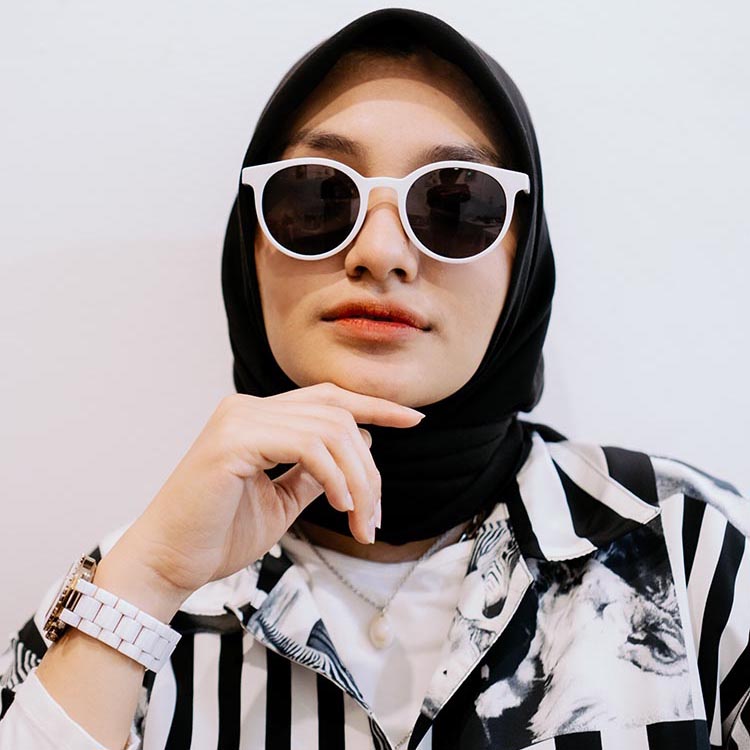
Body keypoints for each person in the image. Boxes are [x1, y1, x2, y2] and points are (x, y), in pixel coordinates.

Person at [1, 7, 748, 750]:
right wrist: (150, 580)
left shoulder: (692, 546)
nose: (380, 252)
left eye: (456, 203)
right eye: (318, 196)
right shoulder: (123, 588)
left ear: (521, 259)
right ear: (250, 249)